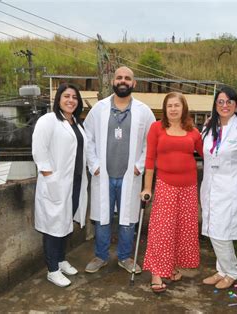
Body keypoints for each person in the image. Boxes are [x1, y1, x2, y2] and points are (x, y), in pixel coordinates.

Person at [84, 66, 155, 274]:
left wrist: (138, 166)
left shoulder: (144, 111)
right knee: (102, 218)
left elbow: (150, 143)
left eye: (127, 78)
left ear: (134, 84)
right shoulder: (99, 109)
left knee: (128, 220)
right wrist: (94, 165)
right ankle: (101, 256)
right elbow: (88, 138)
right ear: (113, 82)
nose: (123, 81)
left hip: (129, 176)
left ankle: (125, 257)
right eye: (119, 77)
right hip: (103, 175)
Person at [141, 92, 203, 293]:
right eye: (170, 106)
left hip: (189, 187)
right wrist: (147, 187)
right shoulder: (156, 128)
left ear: (183, 108)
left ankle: (172, 266)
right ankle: (157, 273)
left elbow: (208, 153)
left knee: (182, 229)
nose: (174, 109)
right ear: (165, 109)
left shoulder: (193, 131)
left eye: (177, 105)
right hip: (166, 184)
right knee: (162, 230)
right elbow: (150, 160)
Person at [32, 83, 88, 287]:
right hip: (56, 184)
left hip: (75, 183)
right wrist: (50, 177)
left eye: (74, 97)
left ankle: (61, 260)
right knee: (52, 227)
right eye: (66, 96)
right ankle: (52, 269)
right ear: (58, 99)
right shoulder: (48, 121)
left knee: (65, 224)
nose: (71, 100)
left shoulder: (76, 123)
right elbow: (39, 151)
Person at [200, 86, 237, 290]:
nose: (225, 105)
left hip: (231, 189)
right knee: (213, 229)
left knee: (220, 232)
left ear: (236, 105)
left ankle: (232, 271)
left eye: (229, 102)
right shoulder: (208, 127)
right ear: (215, 105)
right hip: (210, 186)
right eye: (220, 102)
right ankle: (221, 270)